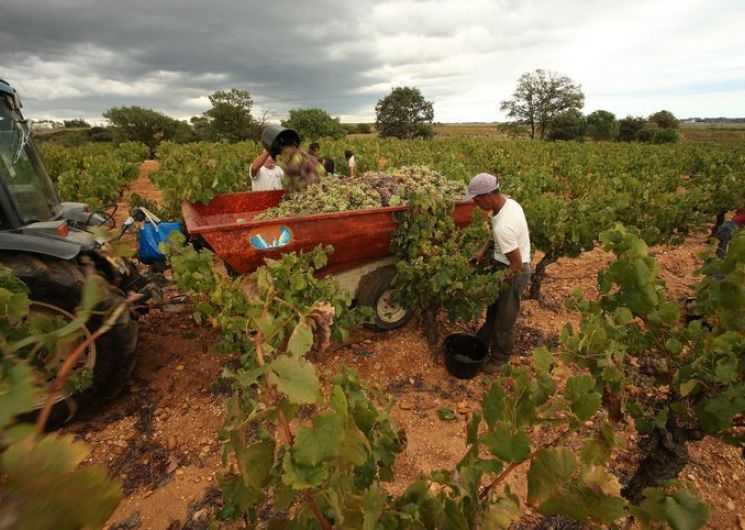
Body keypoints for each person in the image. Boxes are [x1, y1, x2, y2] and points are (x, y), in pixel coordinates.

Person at [466, 172, 531, 374]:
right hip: (503, 266)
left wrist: (492, 283)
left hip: (513, 273)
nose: (475, 204)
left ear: (488, 196)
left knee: (504, 320)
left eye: (477, 200)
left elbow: (516, 265)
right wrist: (482, 251)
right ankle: (482, 343)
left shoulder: (505, 225)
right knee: (493, 312)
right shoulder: (507, 204)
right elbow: (495, 235)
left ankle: (499, 359)